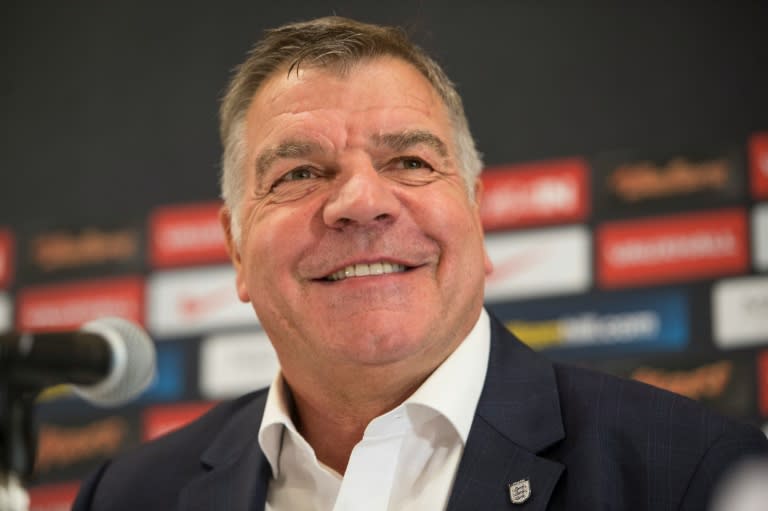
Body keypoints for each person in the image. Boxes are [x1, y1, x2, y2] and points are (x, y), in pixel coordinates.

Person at [73, 16, 768, 511]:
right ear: (234, 247)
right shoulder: (128, 496)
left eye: (408, 161)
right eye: (299, 173)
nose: (361, 202)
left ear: (476, 210)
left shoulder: (693, 475)